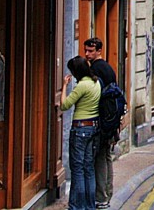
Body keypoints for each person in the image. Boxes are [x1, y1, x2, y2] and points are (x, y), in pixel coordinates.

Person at [61, 56, 100, 210]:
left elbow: (64, 105)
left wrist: (64, 86)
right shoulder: (95, 83)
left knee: (77, 168)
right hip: (93, 128)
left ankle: (77, 206)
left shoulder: (82, 86)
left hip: (80, 129)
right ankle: (90, 206)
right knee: (88, 168)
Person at [84, 37, 117, 210]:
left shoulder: (96, 70)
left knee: (99, 159)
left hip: (102, 120)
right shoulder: (108, 67)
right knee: (106, 156)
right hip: (111, 120)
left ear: (99, 51)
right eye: (86, 51)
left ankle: (101, 197)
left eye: (91, 51)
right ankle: (107, 194)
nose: (87, 54)